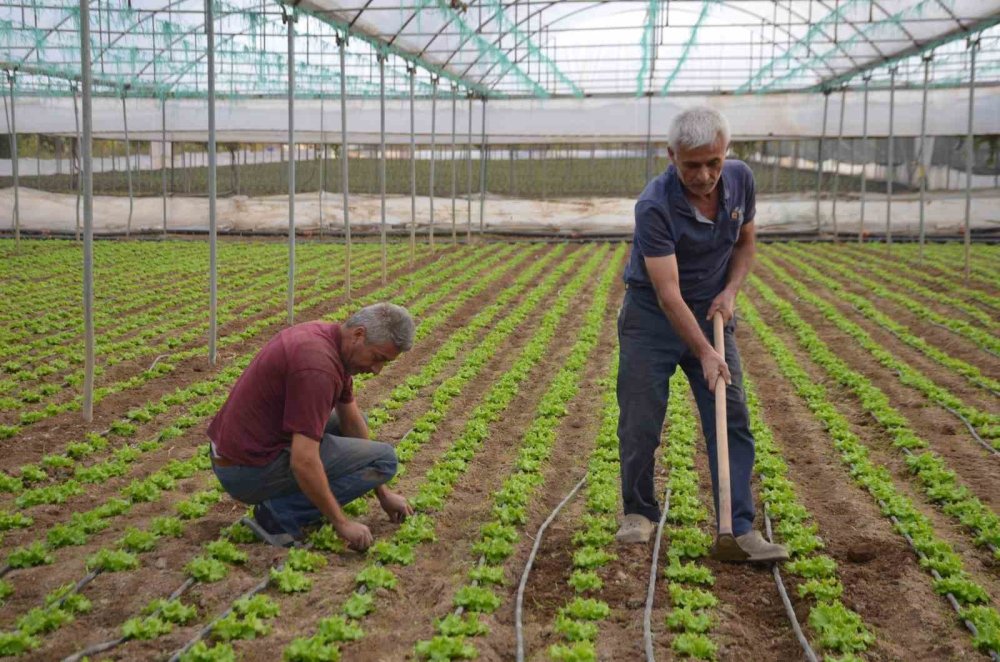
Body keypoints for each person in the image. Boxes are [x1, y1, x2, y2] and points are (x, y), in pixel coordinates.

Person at [615, 106, 788, 562]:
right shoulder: (654, 205)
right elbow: (668, 292)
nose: (706, 174)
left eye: (714, 161)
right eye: (692, 165)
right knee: (640, 418)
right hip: (652, 316)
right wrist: (706, 352)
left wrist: (730, 292)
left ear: (725, 152)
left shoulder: (741, 180)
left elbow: (747, 241)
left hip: (712, 310)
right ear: (672, 156)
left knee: (730, 416)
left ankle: (740, 527)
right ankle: (639, 512)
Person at [207, 302, 416, 551]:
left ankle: (286, 505)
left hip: (243, 451)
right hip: (246, 471)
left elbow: (351, 420)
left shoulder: (329, 340)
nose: (376, 370)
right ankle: (278, 515)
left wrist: (383, 493)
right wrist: (342, 523)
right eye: (377, 358)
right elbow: (303, 459)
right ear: (359, 335)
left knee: (358, 426)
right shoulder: (317, 367)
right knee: (384, 460)